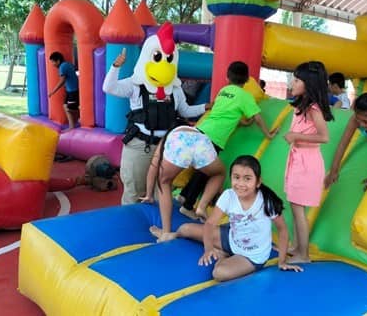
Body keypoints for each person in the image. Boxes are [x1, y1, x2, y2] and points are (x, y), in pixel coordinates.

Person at [144, 61, 278, 242]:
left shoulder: (223, 91)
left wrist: (148, 192)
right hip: (207, 141)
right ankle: (200, 205)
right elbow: (258, 117)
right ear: (247, 79)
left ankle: (167, 229)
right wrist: (268, 134)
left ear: (227, 77)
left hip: (191, 132)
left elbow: (222, 114)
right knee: (217, 173)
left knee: (165, 182)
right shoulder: (246, 96)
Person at [103, 22, 208, 205]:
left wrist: (204, 107)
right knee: (134, 191)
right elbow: (109, 87)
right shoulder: (136, 84)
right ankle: (130, 227)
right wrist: (115, 67)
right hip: (139, 145)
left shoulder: (175, 89)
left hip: (165, 148)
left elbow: (184, 110)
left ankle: (158, 227)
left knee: (162, 190)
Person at [151, 155, 302, 280]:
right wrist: (208, 249)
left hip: (251, 256)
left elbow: (282, 230)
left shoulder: (266, 202)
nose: (241, 184)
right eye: (236, 177)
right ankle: (171, 235)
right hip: (230, 238)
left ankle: (223, 256)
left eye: (247, 179)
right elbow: (210, 224)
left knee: (219, 273)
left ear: (258, 182)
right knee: (185, 228)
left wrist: (282, 261)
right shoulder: (228, 195)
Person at [284, 61, 333, 263]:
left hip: (307, 162)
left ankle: (303, 255)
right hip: (299, 160)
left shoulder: (313, 108)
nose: (292, 83)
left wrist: (296, 136)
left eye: (297, 80)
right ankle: (297, 246)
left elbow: (324, 137)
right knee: (295, 206)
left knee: (298, 209)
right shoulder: (302, 106)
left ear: (309, 84)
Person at [48, 51, 80, 130]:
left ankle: (78, 121)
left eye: (53, 62)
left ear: (58, 60)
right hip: (70, 91)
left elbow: (62, 81)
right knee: (66, 106)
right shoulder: (67, 64)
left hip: (73, 91)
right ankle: (72, 126)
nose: (52, 64)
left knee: (70, 108)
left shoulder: (62, 67)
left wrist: (53, 92)